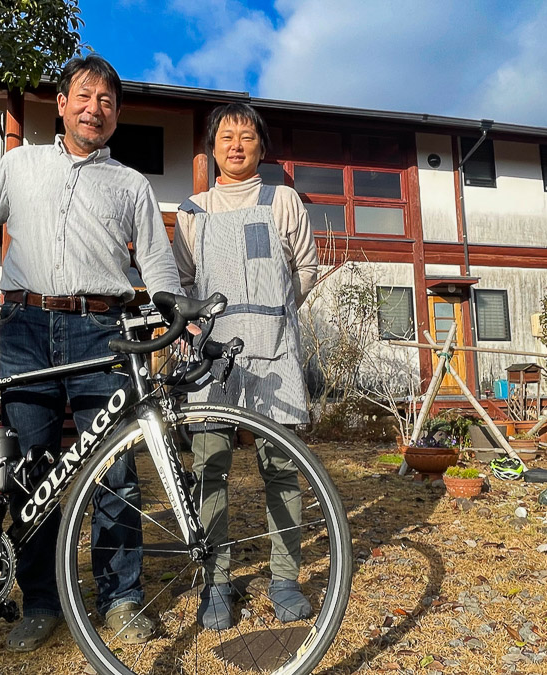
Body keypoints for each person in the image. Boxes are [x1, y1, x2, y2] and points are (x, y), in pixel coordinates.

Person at [0, 54, 181, 651]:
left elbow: (155, 259)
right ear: (63, 104)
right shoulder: (18, 166)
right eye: (83, 96)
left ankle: (121, 600)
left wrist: (176, 310)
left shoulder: (130, 184)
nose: (93, 109)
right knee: (31, 472)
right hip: (24, 327)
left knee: (116, 472)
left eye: (106, 101)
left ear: (118, 115)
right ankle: (41, 600)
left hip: (104, 332)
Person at [172, 102, 320, 630]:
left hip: (275, 351)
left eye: (247, 137)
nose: (236, 146)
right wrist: (194, 332)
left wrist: (276, 319)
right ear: (212, 148)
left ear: (261, 147)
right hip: (210, 355)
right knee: (210, 468)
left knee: (281, 469)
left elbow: (305, 266)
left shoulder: (282, 200)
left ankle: (284, 579)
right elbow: (183, 283)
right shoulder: (193, 210)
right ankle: (216, 581)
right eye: (226, 137)